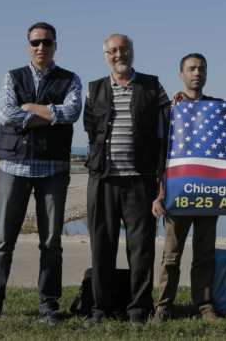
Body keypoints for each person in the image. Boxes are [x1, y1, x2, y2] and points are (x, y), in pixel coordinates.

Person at [0, 22, 82, 328]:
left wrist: (31, 107)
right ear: (27, 45)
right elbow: (8, 114)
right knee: (2, 242)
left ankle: (49, 304)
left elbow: (71, 113)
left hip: (53, 170)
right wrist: (49, 113)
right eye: (35, 42)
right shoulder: (12, 76)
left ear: (55, 44)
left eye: (46, 42)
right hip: (13, 168)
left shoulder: (71, 79)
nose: (41, 47)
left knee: (51, 242)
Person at [83, 33, 170, 327]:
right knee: (101, 245)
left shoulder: (152, 85)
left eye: (123, 49)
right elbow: (91, 128)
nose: (118, 55)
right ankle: (99, 309)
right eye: (112, 51)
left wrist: (161, 180)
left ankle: (138, 309)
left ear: (132, 52)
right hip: (103, 180)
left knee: (141, 247)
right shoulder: (94, 89)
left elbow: (168, 127)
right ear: (105, 55)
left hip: (140, 180)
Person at [150, 53, 220, 323]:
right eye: (191, 69)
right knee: (171, 255)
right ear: (181, 74)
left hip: (208, 193)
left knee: (205, 254)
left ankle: (204, 306)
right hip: (176, 193)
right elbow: (160, 155)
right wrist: (159, 193)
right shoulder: (170, 110)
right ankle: (163, 306)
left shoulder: (216, 107)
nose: (197, 73)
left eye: (202, 68)